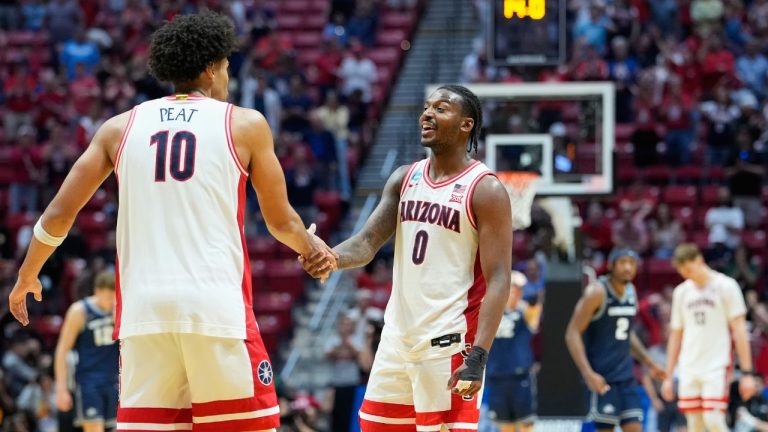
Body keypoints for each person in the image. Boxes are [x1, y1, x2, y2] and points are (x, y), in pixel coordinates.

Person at [8, 12, 335, 432]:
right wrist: (312, 249)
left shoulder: (118, 128)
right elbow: (280, 222)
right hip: (215, 311)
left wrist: (27, 275)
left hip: (144, 316)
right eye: (228, 66)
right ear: (211, 67)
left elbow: (58, 213)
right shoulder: (245, 124)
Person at [301, 84, 513, 431]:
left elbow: (500, 279)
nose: (427, 114)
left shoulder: (485, 189)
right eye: (426, 106)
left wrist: (479, 355)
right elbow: (367, 242)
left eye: (441, 108)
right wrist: (329, 256)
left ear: (467, 124)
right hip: (396, 339)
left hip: (448, 344)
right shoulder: (405, 177)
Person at [565, 248, 666, 432]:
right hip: (602, 377)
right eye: (623, 263)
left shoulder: (631, 292)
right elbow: (572, 333)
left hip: (626, 378)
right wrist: (588, 374)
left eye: (632, 263)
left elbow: (627, 333)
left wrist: (649, 363)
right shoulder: (596, 292)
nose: (628, 268)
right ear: (611, 266)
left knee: (635, 428)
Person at [661, 243, 756, 432]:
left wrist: (747, 373)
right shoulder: (682, 292)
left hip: (717, 365)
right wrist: (669, 376)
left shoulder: (726, 286)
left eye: (689, 269)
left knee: (713, 420)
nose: (687, 275)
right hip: (688, 365)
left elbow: (740, 332)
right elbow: (675, 335)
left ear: (699, 260)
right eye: (683, 272)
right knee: (694, 425)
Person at [54, 270, 118, 432]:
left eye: (115, 297)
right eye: (109, 297)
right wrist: (61, 389)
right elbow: (62, 350)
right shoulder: (79, 311)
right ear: (97, 291)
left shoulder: (118, 310)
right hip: (89, 382)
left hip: (115, 381)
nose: (112, 301)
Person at [485, 271, 539, 432]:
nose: (514, 292)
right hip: (496, 375)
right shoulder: (491, 311)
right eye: (511, 288)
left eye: (517, 289)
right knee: (505, 425)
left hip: (520, 376)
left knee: (526, 424)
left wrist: (518, 280)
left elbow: (535, 299)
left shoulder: (526, 311)